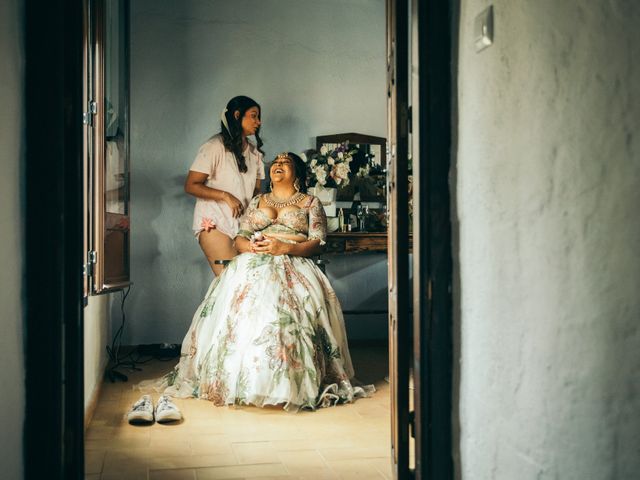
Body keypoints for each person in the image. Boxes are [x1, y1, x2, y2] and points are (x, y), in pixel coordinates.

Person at [156, 152, 374, 411]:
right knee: (245, 315)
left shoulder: (310, 202)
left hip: (293, 261)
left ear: (299, 174)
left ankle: (288, 383)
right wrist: (253, 247)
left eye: (286, 162)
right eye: (276, 162)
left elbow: (317, 242)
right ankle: (247, 381)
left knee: (287, 316)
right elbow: (239, 238)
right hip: (253, 262)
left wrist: (285, 247)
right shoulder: (258, 200)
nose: (278, 165)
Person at [185, 95, 265, 276]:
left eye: (259, 117)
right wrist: (226, 196)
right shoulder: (214, 146)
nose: (258, 122)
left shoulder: (255, 153)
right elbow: (191, 185)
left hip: (244, 224)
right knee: (230, 281)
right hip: (215, 222)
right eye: (254, 115)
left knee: (248, 283)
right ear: (237, 115)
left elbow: (257, 192)